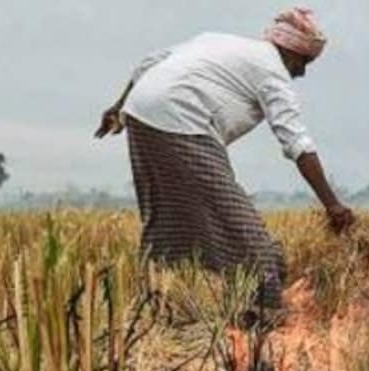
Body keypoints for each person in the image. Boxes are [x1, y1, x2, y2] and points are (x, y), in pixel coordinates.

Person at [95, 7, 354, 308]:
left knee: (167, 215)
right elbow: (297, 141)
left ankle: (154, 303)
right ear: (289, 51)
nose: (302, 72)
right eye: (304, 62)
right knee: (249, 240)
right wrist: (333, 205)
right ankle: (260, 318)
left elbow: (148, 64)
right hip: (182, 122)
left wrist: (118, 107)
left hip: (140, 117)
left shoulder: (218, 40)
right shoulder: (272, 72)